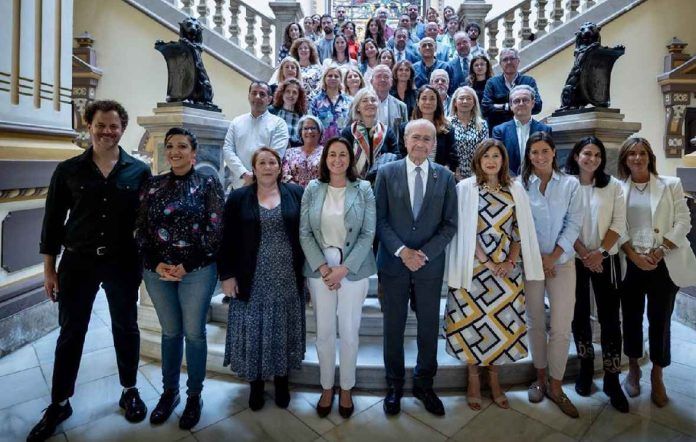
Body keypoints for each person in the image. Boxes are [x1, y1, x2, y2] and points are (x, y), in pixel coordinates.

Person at [29, 100, 151, 442]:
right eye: (101, 125)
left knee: (126, 327)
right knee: (71, 332)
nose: (107, 131)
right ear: (89, 126)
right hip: (78, 262)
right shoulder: (68, 170)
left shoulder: (138, 171)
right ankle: (59, 402)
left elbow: (147, 221)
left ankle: (129, 390)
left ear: (122, 129)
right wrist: (49, 270)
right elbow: (52, 222)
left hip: (122, 261)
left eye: (114, 126)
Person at [135, 127, 224, 429]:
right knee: (170, 332)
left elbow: (215, 231)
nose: (175, 151)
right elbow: (140, 228)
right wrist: (156, 263)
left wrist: (186, 265)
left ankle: (193, 396)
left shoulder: (207, 183)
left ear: (193, 153)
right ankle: (169, 392)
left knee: (194, 334)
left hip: (196, 271)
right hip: (157, 271)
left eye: (182, 146)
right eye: (171, 146)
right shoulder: (153, 184)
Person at [445, 138, 543, 411]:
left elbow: (520, 230)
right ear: (478, 159)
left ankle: (495, 380)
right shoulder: (466, 188)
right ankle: (474, 380)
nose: (491, 161)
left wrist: (510, 261)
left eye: (496, 156)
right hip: (473, 269)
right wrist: (486, 261)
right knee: (471, 325)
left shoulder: (515, 189)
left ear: (503, 160)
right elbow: (463, 229)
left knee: (501, 325)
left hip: (506, 272)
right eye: (486, 156)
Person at [376, 119, 458, 417]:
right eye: (416, 137)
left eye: (427, 139)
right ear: (405, 140)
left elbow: (450, 224)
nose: (421, 143)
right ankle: (394, 384)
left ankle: (424, 383)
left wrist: (423, 254)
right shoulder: (386, 173)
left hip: (429, 265)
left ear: (434, 144)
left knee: (428, 326)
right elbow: (379, 219)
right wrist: (402, 251)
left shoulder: (445, 177)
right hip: (393, 264)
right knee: (393, 326)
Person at [219, 147, 306, 411]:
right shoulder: (238, 197)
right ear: (254, 168)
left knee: (282, 329)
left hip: (286, 276)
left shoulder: (296, 193)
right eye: (262, 163)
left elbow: (306, 233)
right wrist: (227, 275)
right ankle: (255, 384)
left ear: (280, 167)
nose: (268, 167)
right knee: (253, 329)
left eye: (272, 162)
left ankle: (281, 381)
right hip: (251, 276)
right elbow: (226, 239)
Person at [300, 137, 377, 419]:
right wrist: (323, 268)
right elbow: (305, 232)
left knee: (349, 330)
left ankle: (346, 387)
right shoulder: (313, 188)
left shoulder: (364, 189)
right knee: (323, 332)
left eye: (343, 154)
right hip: (319, 267)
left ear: (350, 158)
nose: (337, 159)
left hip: (353, 268)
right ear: (325, 159)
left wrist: (344, 269)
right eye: (332, 154)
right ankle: (326, 387)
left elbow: (368, 233)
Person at [617, 137, 696, 408]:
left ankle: (657, 373)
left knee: (660, 320)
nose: (637, 158)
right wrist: (634, 256)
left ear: (650, 157)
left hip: (664, 263)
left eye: (642, 153)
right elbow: (616, 227)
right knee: (631, 318)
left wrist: (661, 250)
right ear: (625, 159)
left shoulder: (670, 184)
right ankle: (633, 369)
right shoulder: (618, 189)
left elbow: (684, 221)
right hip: (631, 263)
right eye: (631, 154)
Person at [564, 136, 629, 413]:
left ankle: (612, 378)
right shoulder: (566, 184)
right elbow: (564, 222)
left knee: (610, 318)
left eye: (597, 155)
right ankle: (586, 368)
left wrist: (598, 253)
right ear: (576, 155)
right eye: (587, 153)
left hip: (606, 258)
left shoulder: (613, 186)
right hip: (575, 258)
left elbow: (619, 223)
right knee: (578, 315)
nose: (592, 159)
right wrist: (584, 253)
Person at [522, 131, 583, 418]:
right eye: (534, 152)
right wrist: (539, 259)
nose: (540, 157)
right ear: (528, 155)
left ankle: (556, 386)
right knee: (535, 321)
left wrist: (553, 257)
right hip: (532, 264)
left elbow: (574, 223)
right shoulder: (520, 185)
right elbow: (519, 226)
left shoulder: (570, 184)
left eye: (544, 151)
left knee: (560, 324)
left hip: (562, 263)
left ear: (554, 152)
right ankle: (540, 379)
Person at [222, 81, 288, 189]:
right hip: (239, 184)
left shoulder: (279, 124)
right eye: (254, 93)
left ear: (269, 99)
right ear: (249, 96)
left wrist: (256, 177)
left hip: (265, 187)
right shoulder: (236, 122)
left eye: (262, 94)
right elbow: (227, 150)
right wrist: (244, 174)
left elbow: (275, 156)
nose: (257, 97)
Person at [340, 88, 399, 181]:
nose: (370, 103)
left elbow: (396, 157)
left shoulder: (387, 131)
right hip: (354, 183)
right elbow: (342, 158)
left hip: (382, 183)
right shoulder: (349, 132)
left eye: (373, 100)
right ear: (358, 107)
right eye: (365, 100)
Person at [492, 85, 552, 175]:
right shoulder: (500, 131)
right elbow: (498, 159)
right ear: (511, 105)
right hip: (509, 180)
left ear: (532, 103)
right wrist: (514, 180)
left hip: (538, 179)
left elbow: (548, 158)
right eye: (516, 101)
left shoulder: (545, 130)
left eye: (525, 100)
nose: (521, 103)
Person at [482, 48, 542, 132]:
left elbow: (538, 106)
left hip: (524, 129)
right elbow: (485, 108)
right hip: (499, 132)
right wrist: (509, 106)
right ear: (500, 64)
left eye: (512, 58)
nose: (509, 62)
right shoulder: (492, 83)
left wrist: (498, 106)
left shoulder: (528, 81)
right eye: (505, 59)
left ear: (518, 61)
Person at [400, 85, 457, 171]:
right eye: (424, 98)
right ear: (417, 102)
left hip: (437, 174)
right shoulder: (405, 128)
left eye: (432, 99)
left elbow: (453, 157)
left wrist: (445, 169)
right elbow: (401, 154)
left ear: (437, 102)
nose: (428, 102)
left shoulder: (447, 129)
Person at [448, 86, 488, 180]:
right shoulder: (447, 123)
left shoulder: (482, 124)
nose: (465, 101)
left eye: (469, 98)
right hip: (452, 174)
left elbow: (484, 151)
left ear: (474, 102)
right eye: (461, 98)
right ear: (455, 103)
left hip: (477, 174)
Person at [309, 65, 353, 144]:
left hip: (344, 144)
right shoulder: (316, 101)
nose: (333, 78)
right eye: (330, 76)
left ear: (341, 79)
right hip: (321, 145)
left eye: (336, 76)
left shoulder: (349, 101)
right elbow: (311, 124)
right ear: (324, 78)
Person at [282, 116, 324, 187]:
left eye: (313, 128)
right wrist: (298, 190)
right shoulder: (289, 153)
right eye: (306, 128)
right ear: (300, 132)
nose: (309, 131)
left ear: (319, 132)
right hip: (293, 191)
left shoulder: (327, 153)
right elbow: (284, 174)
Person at [370, 64, 409, 139]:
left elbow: (404, 134)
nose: (382, 79)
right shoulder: (362, 104)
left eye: (386, 77)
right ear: (371, 81)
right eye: (378, 76)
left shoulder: (401, 106)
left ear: (391, 82)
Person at [269, 78, 307, 148]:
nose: (291, 95)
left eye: (294, 92)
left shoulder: (302, 117)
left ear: (299, 96)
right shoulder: (271, 111)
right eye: (288, 91)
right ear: (282, 93)